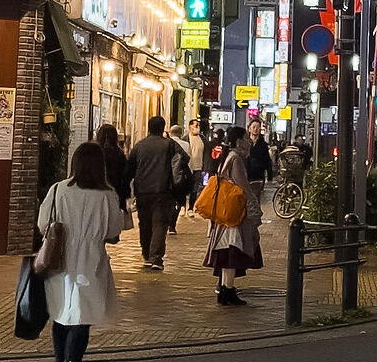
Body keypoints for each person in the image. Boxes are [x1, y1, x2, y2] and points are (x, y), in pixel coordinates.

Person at [38, 141, 125, 362]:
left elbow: (44, 223)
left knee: (61, 311)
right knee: (82, 314)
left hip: (59, 257)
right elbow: (113, 231)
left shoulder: (58, 190)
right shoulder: (108, 194)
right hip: (91, 258)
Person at [204, 126, 261, 306]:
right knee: (231, 252)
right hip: (233, 215)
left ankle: (225, 288)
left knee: (226, 252)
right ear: (238, 141)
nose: (248, 141)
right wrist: (253, 204)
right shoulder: (235, 158)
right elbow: (241, 185)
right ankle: (228, 290)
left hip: (226, 213)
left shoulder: (227, 156)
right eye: (245, 138)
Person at [125, 116, 189, 271]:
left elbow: (129, 169)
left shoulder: (140, 146)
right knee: (160, 224)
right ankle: (156, 258)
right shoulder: (169, 145)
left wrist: (127, 189)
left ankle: (146, 255)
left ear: (148, 127)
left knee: (145, 224)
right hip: (163, 191)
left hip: (143, 191)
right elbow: (184, 159)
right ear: (163, 128)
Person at [97, 123, 132, 220]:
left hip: (97, 193)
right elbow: (125, 176)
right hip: (115, 194)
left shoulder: (95, 152)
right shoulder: (119, 154)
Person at [249, 131, 275, 207]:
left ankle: (255, 217)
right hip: (245, 174)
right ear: (249, 128)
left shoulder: (263, 145)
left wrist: (270, 175)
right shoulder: (245, 142)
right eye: (253, 127)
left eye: (257, 127)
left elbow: (267, 160)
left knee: (255, 200)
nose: (255, 129)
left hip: (258, 175)